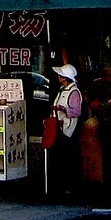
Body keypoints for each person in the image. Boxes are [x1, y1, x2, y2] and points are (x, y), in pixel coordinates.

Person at [49, 63, 84, 196]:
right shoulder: (62, 90)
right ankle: (62, 185)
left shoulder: (73, 92)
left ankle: (71, 186)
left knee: (69, 157)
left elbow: (77, 111)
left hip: (68, 128)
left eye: (60, 75)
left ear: (65, 78)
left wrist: (64, 109)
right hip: (59, 126)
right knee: (61, 157)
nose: (58, 77)